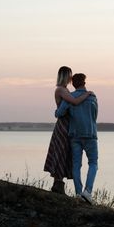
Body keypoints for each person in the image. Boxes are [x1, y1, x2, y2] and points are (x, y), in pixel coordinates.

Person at [44, 66, 93, 194]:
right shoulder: (60, 90)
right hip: (63, 126)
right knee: (60, 152)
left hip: (69, 125)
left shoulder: (65, 90)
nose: (71, 78)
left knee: (64, 153)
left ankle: (59, 184)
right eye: (69, 75)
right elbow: (75, 102)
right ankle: (58, 184)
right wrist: (86, 93)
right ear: (65, 76)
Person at [55, 73, 98, 204]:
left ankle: (79, 193)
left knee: (76, 165)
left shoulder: (70, 97)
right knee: (93, 163)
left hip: (74, 135)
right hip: (90, 134)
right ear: (84, 83)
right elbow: (94, 116)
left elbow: (59, 113)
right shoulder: (92, 97)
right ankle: (88, 191)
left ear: (73, 84)